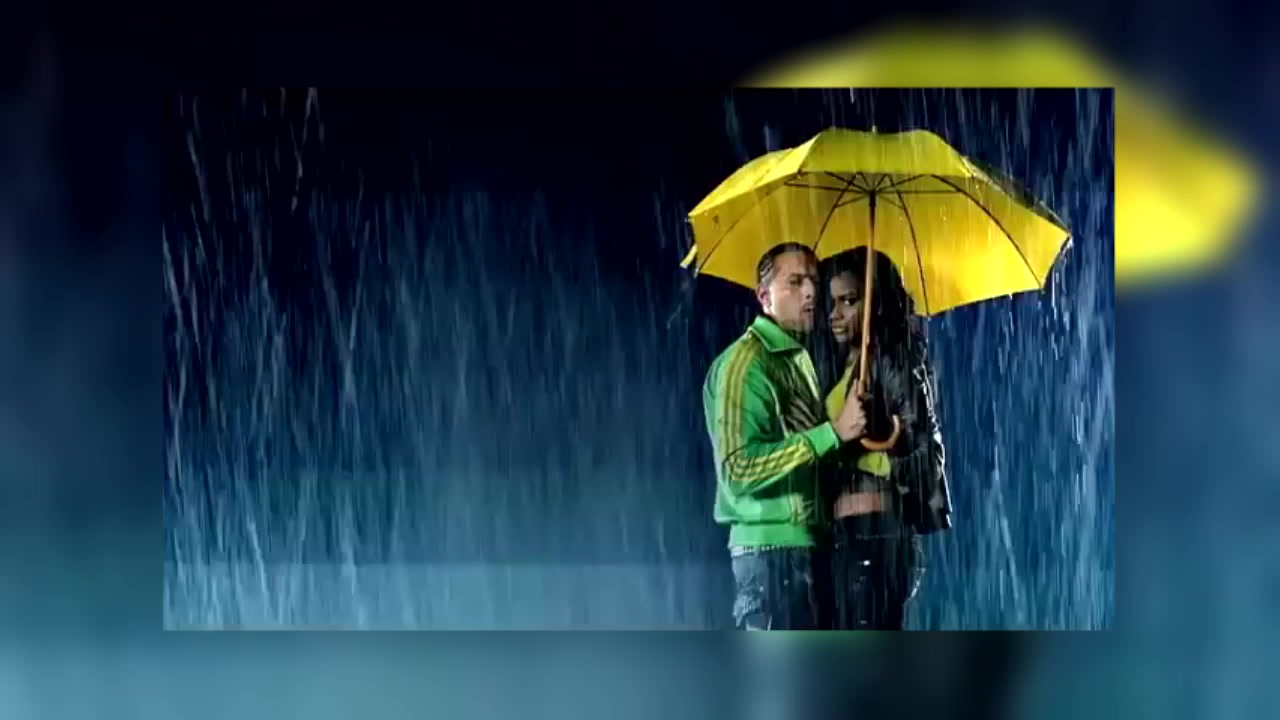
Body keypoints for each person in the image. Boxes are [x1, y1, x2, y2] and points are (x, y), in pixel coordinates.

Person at [702, 242, 870, 630]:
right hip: (770, 554)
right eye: (795, 282)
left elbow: (813, 456)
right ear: (764, 297)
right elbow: (737, 470)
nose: (810, 292)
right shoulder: (744, 365)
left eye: (813, 280)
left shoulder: (799, 359)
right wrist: (831, 433)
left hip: (809, 548)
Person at [819, 247, 952, 630]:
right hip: (845, 536)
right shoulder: (844, 364)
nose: (834, 314)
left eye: (849, 301)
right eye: (832, 302)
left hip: (876, 533)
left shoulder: (892, 360)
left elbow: (926, 449)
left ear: (875, 304)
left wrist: (885, 436)